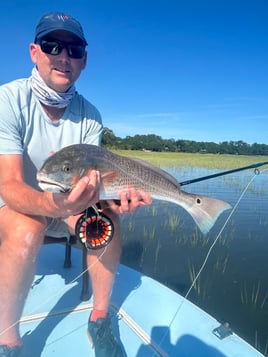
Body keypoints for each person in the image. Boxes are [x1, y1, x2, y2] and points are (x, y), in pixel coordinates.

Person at [0, 11, 151, 357]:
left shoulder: (90, 114)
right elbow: (7, 185)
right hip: (17, 208)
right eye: (53, 46)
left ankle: (99, 319)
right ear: (34, 52)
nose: (64, 57)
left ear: (84, 61)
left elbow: (95, 182)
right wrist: (54, 205)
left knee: (106, 220)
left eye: (75, 49)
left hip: (74, 204)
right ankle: (7, 337)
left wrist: (115, 201)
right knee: (27, 228)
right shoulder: (8, 100)